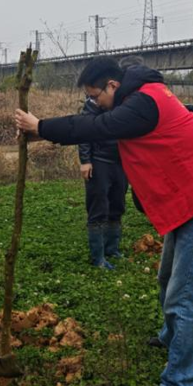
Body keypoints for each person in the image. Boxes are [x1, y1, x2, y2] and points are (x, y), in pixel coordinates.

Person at [14, 57, 193, 386]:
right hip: (185, 197)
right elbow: (97, 122)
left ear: (113, 86)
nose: (95, 103)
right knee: (168, 279)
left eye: (96, 96)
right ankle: (172, 338)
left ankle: (183, 382)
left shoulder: (142, 102)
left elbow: (96, 127)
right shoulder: (144, 95)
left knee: (187, 296)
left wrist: (40, 125)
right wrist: (43, 133)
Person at [77, 96, 126, 269]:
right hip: (99, 162)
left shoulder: (122, 101)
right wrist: (85, 160)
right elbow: (83, 132)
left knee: (117, 205)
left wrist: (192, 108)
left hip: (120, 162)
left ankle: (112, 249)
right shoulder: (92, 105)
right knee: (98, 208)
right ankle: (97, 257)